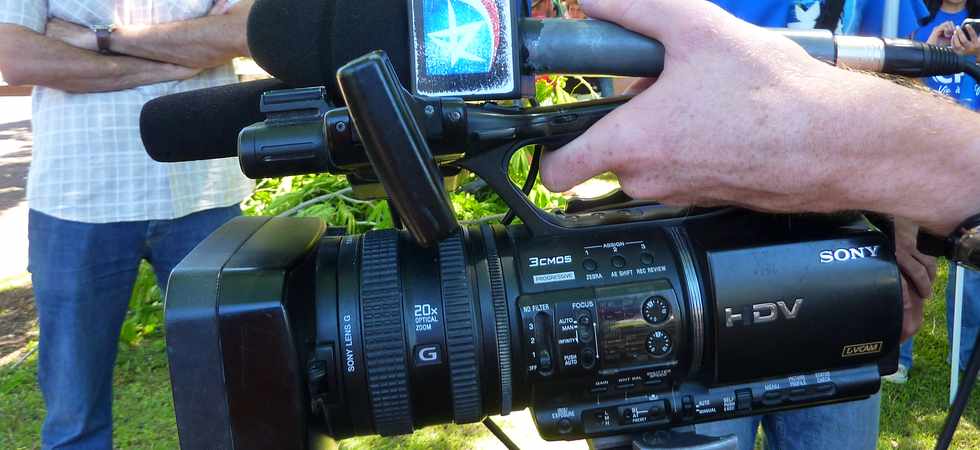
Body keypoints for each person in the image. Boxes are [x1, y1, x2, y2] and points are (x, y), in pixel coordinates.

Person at [540, 0, 977, 448]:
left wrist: (900, 197)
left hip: (835, 262)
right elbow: (623, 96)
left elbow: (878, 69)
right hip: (693, 273)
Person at [0, 1, 255, 448]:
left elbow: (246, 32)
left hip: (203, 191)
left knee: (233, 398)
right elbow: (17, 57)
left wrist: (100, 39)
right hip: (78, 200)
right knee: (73, 413)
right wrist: (172, 59)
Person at [890, 0, 980, 385]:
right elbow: (899, 85)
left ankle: (966, 360)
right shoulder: (916, 18)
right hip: (921, 155)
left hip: (969, 154)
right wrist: (927, 47)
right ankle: (898, 354)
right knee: (910, 252)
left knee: (971, 267)